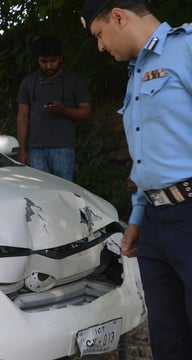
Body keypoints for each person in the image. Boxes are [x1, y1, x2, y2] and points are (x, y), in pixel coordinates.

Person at [82, 1, 192, 359]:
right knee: (167, 338)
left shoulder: (186, 48)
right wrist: (139, 219)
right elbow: (148, 157)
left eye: (99, 34)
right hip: (156, 225)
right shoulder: (135, 72)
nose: (99, 46)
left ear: (118, 16)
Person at [15, 34, 92, 181]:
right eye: (44, 61)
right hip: (35, 149)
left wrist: (64, 110)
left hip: (63, 148)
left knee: (64, 193)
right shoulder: (28, 82)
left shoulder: (73, 80)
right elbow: (22, 116)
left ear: (61, 58)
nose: (49, 65)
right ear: (37, 60)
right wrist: (22, 149)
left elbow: (87, 112)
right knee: (39, 193)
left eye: (53, 61)